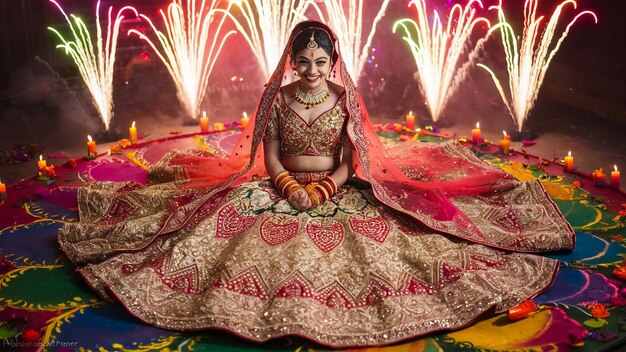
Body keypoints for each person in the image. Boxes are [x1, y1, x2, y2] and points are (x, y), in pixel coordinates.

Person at [59, 21, 574, 348]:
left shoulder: (344, 100)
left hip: (337, 187)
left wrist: (327, 188)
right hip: (280, 186)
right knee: (213, 241)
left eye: (320, 62)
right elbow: (269, 153)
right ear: (292, 61)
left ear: (334, 64)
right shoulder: (278, 100)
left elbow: (354, 158)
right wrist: (285, 186)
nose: (310, 70)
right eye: (302, 61)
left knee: (395, 252)